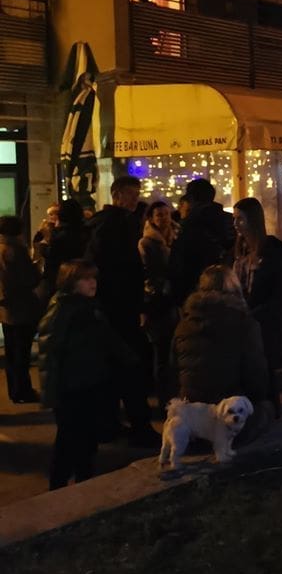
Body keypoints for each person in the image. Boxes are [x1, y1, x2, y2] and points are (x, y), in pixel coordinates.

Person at [38, 260, 135, 490]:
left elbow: (107, 338)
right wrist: (52, 393)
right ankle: (58, 489)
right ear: (71, 282)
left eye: (93, 278)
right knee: (68, 442)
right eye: (85, 278)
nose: (93, 283)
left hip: (90, 383)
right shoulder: (63, 310)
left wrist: (129, 358)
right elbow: (49, 353)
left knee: (87, 441)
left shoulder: (89, 307)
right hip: (71, 388)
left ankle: (84, 486)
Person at [85, 175, 156, 444]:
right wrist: (137, 303)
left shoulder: (104, 225)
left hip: (110, 307)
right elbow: (125, 270)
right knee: (130, 366)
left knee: (114, 367)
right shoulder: (117, 225)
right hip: (121, 307)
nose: (135, 199)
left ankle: (110, 423)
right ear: (117, 195)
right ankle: (138, 426)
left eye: (137, 194)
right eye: (131, 194)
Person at [172, 265, 271, 437]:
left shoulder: (183, 327)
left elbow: (172, 372)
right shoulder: (245, 325)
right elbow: (257, 381)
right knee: (267, 408)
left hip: (191, 423)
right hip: (228, 423)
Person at [233, 197, 282, 415]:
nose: (236, 224)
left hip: (265, 323)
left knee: (265, 373)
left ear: (253, 220)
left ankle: (272, 415)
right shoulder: (239, 250)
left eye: (240, 219)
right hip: (244, 320)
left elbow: (278, 293)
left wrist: (255, 313)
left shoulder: (271, 252)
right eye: (234, 219)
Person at [168, 178, 235, 305]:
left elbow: (179, 264)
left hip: (194, 292)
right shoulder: (229, 220)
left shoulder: (189, 225)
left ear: (191, 199)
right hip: (225, 287)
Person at [139, 200, 179, 409]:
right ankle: (165, 399)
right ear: (151, 219)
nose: (164, 218)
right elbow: (146, 273)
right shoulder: (147, 243)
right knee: (162, 351)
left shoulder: (176, 236)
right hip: (157, 302)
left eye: (166, 214)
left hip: (175, 300)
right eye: (159, 215)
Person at [0, 215, 40, 403]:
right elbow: (30, 279)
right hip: (21, 305)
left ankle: (14, 391)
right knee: (21, 352)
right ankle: (22, 390)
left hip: (6, 307)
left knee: (11, 351)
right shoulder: (16, 250)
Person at [39, 199, 89, 306]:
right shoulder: (87, 232)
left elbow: (51, 259)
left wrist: (44, 246)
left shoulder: (59, 236)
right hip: (84, 279)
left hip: (62, 282)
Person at [31, 202, 59, 271]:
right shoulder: (44, 226)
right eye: (50, 214)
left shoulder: (60, 228)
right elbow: (36, 242)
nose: (52, 216)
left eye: (55, 214)